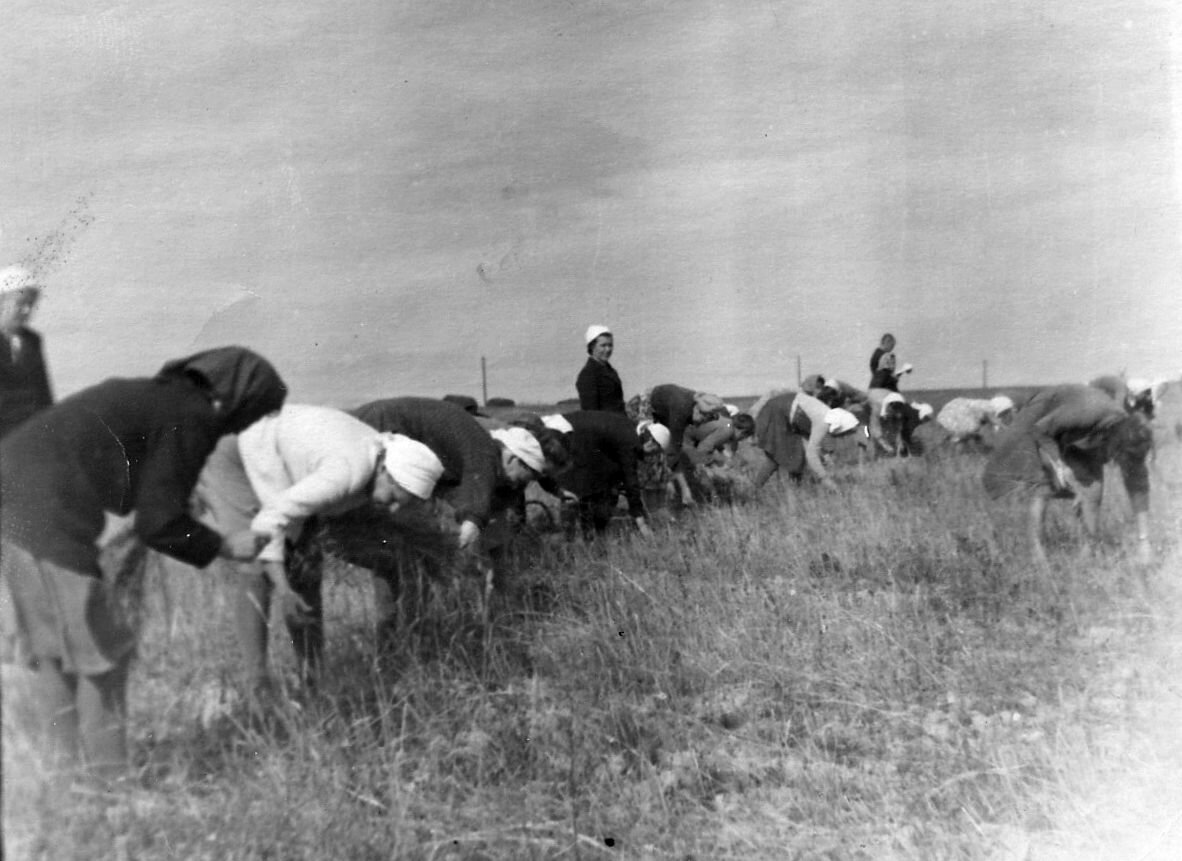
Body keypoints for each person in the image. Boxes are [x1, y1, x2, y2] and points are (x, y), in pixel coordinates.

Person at [0, 347, 286, 780]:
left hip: (13, 502)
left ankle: (64, 779)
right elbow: (159, 523)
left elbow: (119, 481)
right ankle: (110, 785)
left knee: (52, 651)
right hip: (47, 516)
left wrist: (171, 499)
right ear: (238, 400)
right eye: (249, 416)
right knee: (103, 656)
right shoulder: (193, 416)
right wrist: (226, 543)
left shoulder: (154, 395)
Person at [197, 403, 445, 687]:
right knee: (257, 566)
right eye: (394, 498)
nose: (392, 510)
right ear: (387, 472)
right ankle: (258, 686)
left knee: (307, 567)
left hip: (281, 461)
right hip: (236, 449)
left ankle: (312, 678)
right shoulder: (346, 472)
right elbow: (270, 520)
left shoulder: (376, 459)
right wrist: (284, 588)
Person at [982, 384, 1154, 566]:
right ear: (1115, 441)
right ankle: (1036, 552)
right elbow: (1038, 431)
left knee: (1093, 492)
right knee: (1045, 488)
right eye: (1118, 456)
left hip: (1080, 438)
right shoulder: (1087, 413)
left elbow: (1138, 486)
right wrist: (1061, 468)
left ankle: (1089, 551)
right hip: (1041, 430)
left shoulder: (1131, 438)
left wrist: (1145, 541)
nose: (1117, 463)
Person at [543, 412, 670, 538]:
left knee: (595, 483)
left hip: (572, 431)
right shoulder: (629, 440)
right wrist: (641, 522)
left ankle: (587, 531)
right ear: (651, 442)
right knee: (576, 487)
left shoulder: (629, 429)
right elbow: (630, 480)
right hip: (565, 433)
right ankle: (569, 537)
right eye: (655, 450)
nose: (652, 454)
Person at [751, 391, 861, 490]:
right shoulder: (823, 422)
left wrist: (825, 456)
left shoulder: (829, 416)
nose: (843, 437)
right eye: (845, 433)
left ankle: (794, 488)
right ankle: (756, 488)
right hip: (777, 412)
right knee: (777, 456)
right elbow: (811, 453)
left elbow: (811, 438)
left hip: (785, 410)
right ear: (840, 427)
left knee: (796, 455)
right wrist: (824, 478)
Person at [648, 383, 728, 505]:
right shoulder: (681, 410)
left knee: (682, 449)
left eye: (708, 416)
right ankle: (661, 495)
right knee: (655, 448)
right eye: (702, 414)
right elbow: (673, 449)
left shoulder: (707, 409)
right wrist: (677, 484)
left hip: (667, 406)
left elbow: (704, 437)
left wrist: (718, 456)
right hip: (649, 405)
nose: (704, 418)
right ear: (695, 407)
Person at [0, 265, 53, 438]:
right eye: (21, 304)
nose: (27, 311)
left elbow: (43, 391)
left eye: (31, 305)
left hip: (30, 435)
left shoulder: (32, 340)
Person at [576, 324, 626, 413]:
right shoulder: (588, 374)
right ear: (592, 346)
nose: (608, 349)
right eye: (603, 345)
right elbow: (591, 413)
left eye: (610, 345)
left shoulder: (611, 371)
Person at [936, 396, 1015, 447]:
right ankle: (953, 445)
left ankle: (948, 445)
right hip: (958, 416)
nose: (1003, 415)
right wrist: (1008, 429)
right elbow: (993, 420)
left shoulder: (982, 404)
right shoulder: (989, 407)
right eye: (1005, 412)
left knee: (965, 436)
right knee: (970, 436)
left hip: (947, 415)